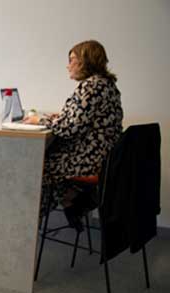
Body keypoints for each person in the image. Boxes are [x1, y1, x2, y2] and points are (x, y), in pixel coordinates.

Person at [24, 40, 123, 229]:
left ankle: (29, 223)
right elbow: (81, 119)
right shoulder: (106, 84)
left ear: (86, 61)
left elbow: (69, 128)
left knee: (34, 166)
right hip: (104, 158)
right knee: (47, 159)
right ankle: (71, 200)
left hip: (88, 159)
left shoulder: (91, 86)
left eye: (72, 60)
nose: (68, 65)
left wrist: (40, 121)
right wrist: (61, 117)